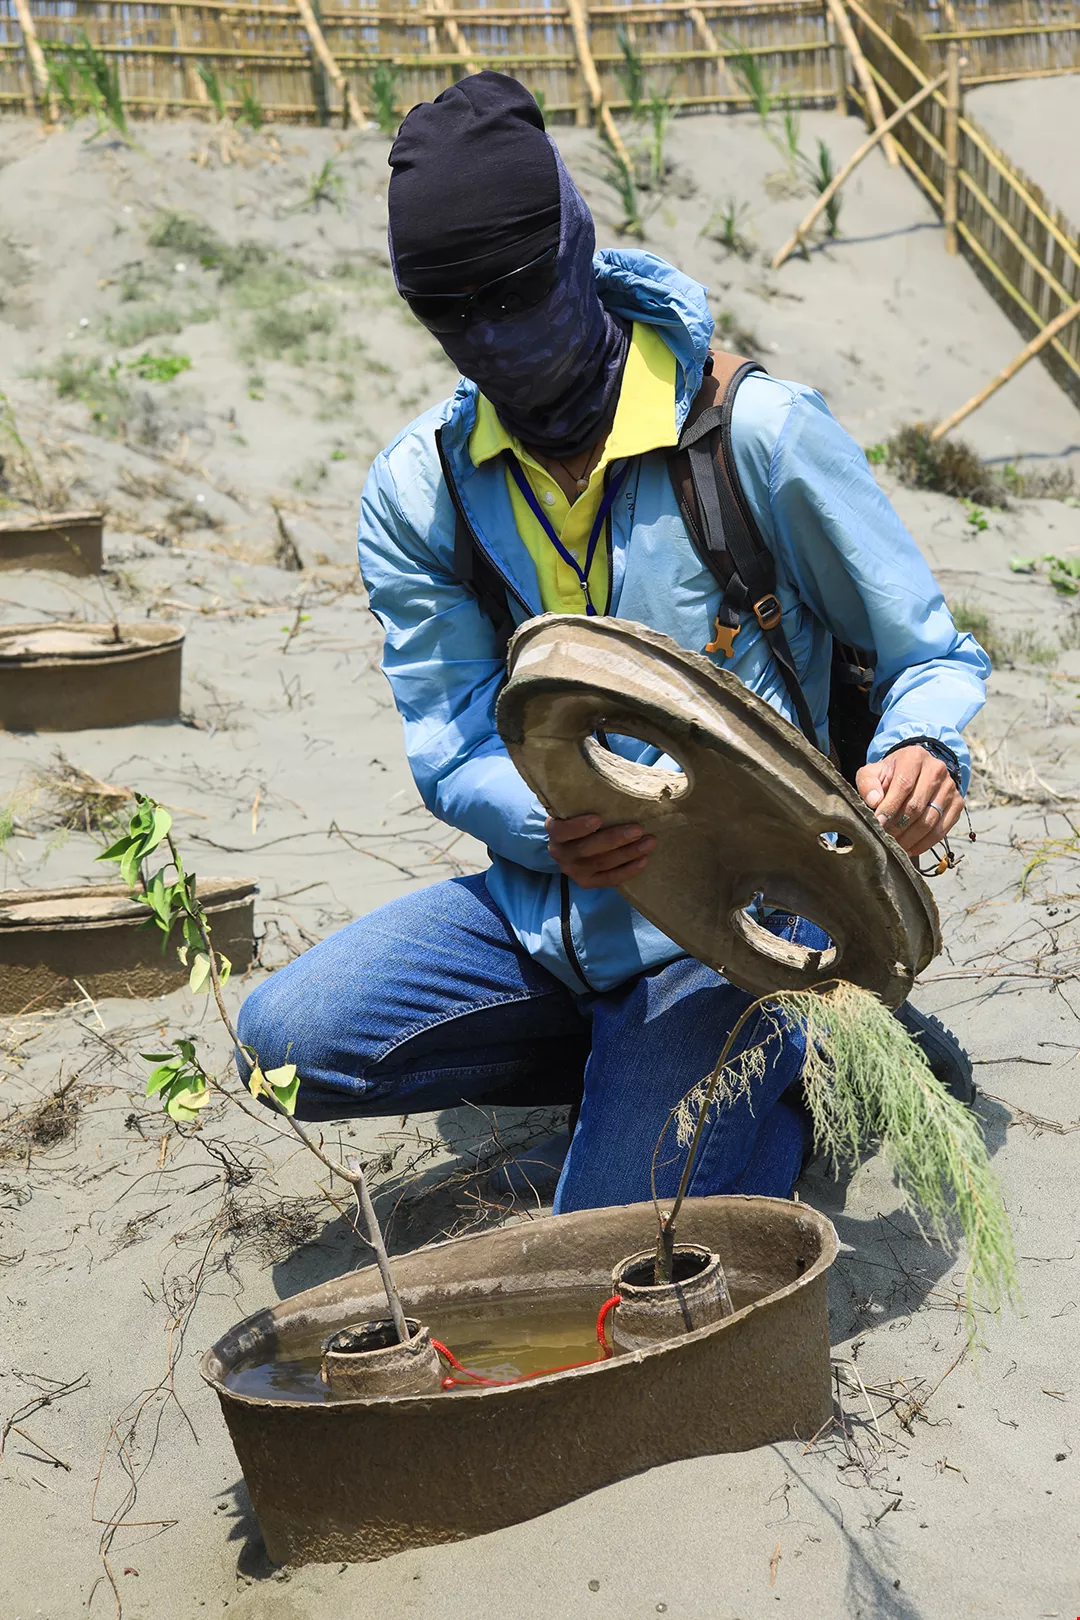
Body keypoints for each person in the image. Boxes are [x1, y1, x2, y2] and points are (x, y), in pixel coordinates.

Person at [237, 72, 988, 1210]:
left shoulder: (754, 436)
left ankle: (816, 1062)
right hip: (553, 911)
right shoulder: (422, 491)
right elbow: (449, 739)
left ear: (575, 245)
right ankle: (639, 1072)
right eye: (450, 313)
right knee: (287, 1047)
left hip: (748, 929)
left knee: (617, 1229)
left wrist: (923, 749)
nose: (492, 337)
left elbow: (928, 655)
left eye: (518, 292)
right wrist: (547, 824)